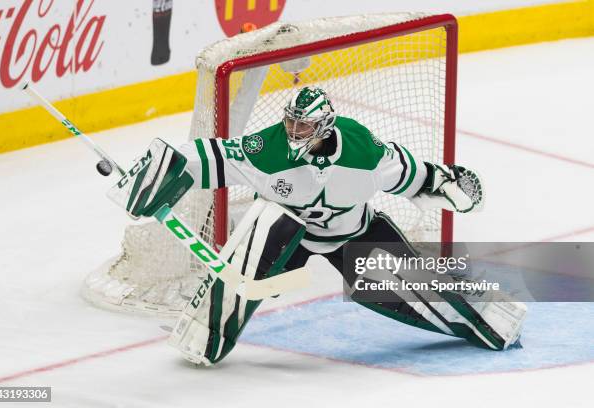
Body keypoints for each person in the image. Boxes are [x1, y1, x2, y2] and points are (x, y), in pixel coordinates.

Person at [124, 86, 525, 365]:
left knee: (411, 293)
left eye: (302, 127)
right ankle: (204, 334)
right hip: (289, 236)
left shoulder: (362, 151)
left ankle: (487, 318)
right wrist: (164, 167)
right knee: (265, 221)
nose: (292, 132)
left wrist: (443, 182)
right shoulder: (269, 150)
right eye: (290, 123)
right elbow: (213, 156)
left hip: (353, 235)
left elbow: (408, 173)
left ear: (325, 127)